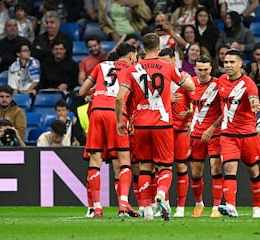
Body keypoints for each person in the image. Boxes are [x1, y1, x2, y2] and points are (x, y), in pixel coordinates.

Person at [115, 32, 195, 221]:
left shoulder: (133, 69)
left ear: (143, 48)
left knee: (144, 167)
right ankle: (161, 192)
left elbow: (119, 98)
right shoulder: (168, 67)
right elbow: (190, 86)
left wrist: (120, 121)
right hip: (163, 124)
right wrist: (182, 77)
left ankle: (147, 210)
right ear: (159, 49)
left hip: (141, 125)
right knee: (165, 166)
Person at [79, 42, 140, 218]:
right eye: (135, 56)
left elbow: (82, 91)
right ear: (130, 56)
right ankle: (123, 205)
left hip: (97, 112)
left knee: (95, 160)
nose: (135, 59)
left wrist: (98, 90)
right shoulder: (132, 71)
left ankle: (96, 208)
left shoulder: (101, 66)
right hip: (116, 113)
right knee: (124, 161)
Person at [218, 49, 260, 218]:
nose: (228, 65)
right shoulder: (221, 80)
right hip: (228, 135)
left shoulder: (248, 84)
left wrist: (255, 106)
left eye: (232, 62)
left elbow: (254, 99)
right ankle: (230, 205)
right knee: (229, 168)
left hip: (248, 135)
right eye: (225, 62)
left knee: (253, 171)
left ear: (240, 64)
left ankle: (257, 207)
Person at [188, 55, 223, 218]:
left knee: (216, 167)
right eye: (200, 70)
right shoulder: (190, 84)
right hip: (196, 134)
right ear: (195, 69)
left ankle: (216, 207)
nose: (202, 73)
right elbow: (189, 105)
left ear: (211, 69)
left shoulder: (218, 85)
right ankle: (199, 203)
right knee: (196, 173)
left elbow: (226, 111)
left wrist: (212, 127)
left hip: (215, 134)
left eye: (206, 70)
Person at [158, 47, 192, 218]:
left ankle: (181, 207)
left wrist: (191, 114)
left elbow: (197, 100)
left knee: (181, 166)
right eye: (161, 61)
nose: (164, 64)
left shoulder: (184, 79)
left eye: (166, 61)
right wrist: (165, 98)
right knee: (162, 167)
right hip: (162, 128)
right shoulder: (156, 80)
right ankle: (164, 204)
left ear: (173, 60)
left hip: (181, 130)